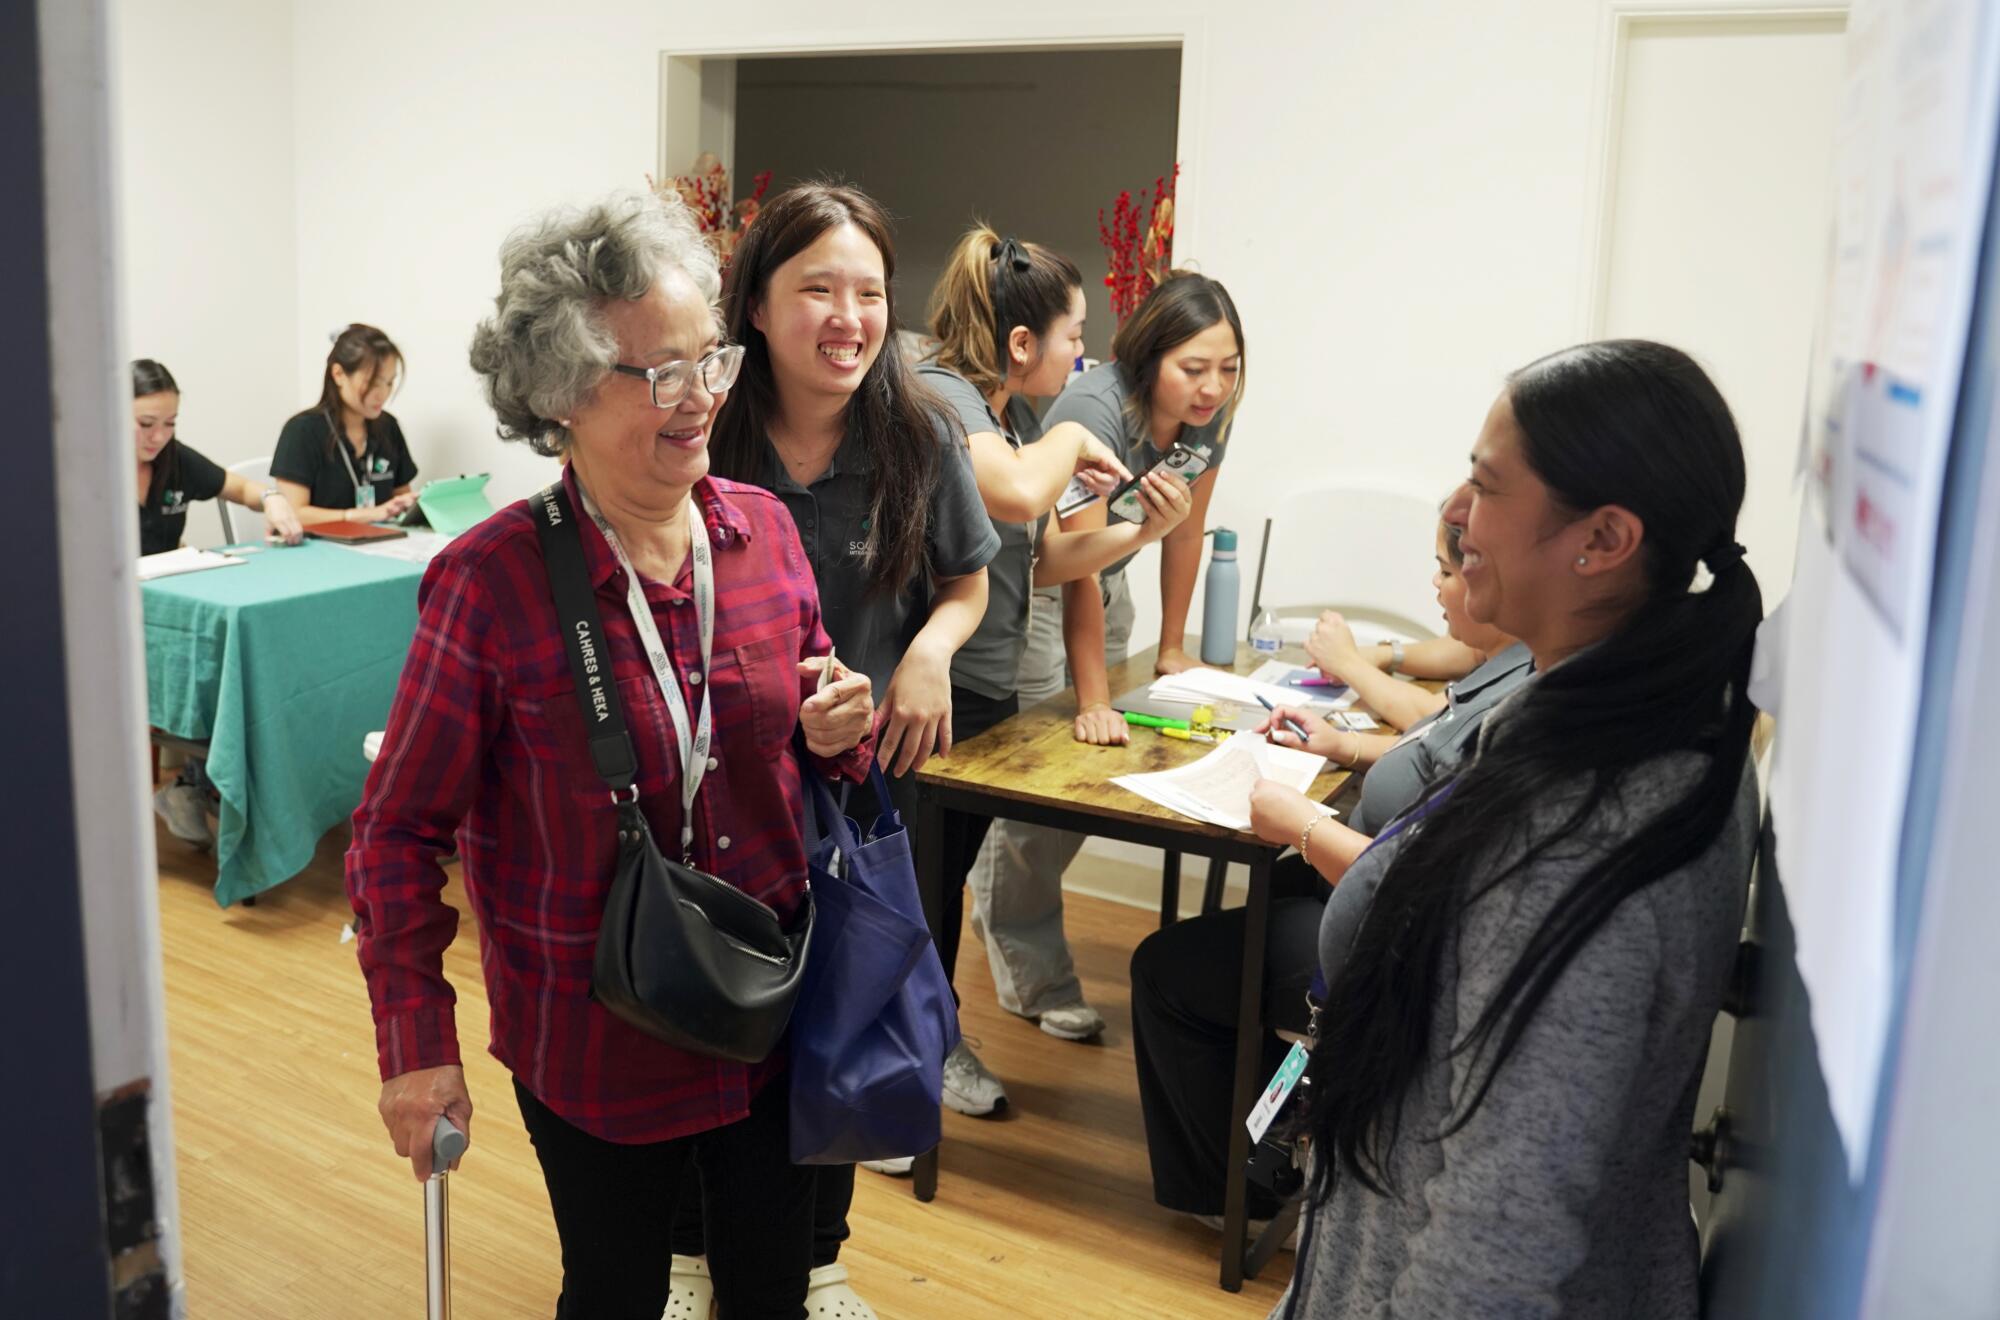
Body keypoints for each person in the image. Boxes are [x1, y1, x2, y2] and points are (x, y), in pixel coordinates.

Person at [347, 189, 876, 1320]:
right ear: (563, 395)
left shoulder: (762, 531)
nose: (700, 403)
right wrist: (414, 1043)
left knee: (770, 1287)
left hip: (772, 1008)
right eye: (658, 375)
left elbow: (810, 722)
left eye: (709, 362)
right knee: (618, 1292)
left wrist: (836, 729)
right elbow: (397, 831)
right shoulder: (490, 584)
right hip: (595, 1035)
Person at [1275, 339, 1763, 1318]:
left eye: (1486, 485)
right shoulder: (1588, 713)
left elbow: (1493, 1253)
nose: (1454, 512)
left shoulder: (1588, 829)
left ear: (1601, 540)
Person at [678, 181, 998, 1320]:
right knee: (710, 1029)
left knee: (843, 1022)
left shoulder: (915, 435)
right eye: (816, 288)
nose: (847, 317)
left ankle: (817, 1258)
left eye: (867, 291)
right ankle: (687, 1256)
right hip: (718, 798)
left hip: (864, 799)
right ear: (755, 306)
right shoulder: (700, 430)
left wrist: (930, 653)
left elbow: (967, 578)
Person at [1128, 515, 1528, 1229]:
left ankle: (1236, 1196)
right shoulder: (1506, 671)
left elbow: (1412, 879)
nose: (1435, 586)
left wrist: (1306, 827)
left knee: (1168, 971)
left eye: (1446, 568)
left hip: (1381, 938)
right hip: (1355, 885)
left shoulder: (1519, 701)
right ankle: (1254, 1149)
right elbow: (1433, 743)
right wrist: (1342, 746)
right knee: (1237, 923)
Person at [898, 225, 1195, 1122]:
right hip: (926, 694)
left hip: (983, 692)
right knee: (911, 900)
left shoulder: (1014, 417)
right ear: (1021, 344)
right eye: (1074, 334)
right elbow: (1024, 494)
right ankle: (907, 1072)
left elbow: (1050, 558)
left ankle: (925, 1048)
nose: (1085, 352)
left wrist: (1145, 529)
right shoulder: (946, 396)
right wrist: (1072, 442)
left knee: (935, 891)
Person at [970, 270, 1247, 1039]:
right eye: (1194, 368)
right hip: (1039, 590)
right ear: (1151, 355)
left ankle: (1017, 941)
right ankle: (1030, 971)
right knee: (1038, 787)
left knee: (1087, 776)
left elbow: (1185, 527)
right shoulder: (1097, 407)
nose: (1213, 387)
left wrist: (1171, 648)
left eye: (1228, 368)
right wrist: (1092, 699)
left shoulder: (1210, 413)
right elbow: (1070, 558)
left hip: (1109, 586)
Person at [135, 358, 303, 847]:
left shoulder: (175, 460)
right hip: (110, 618)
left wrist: (271, 498)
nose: (158, 436)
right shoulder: (86, 468)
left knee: (229, 654)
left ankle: (199, 783)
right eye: (146, 424)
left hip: (172, 611)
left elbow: (241, 487)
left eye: (169, 424)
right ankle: (194, 781)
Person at [271, 323, 419, 525]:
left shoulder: (388, 427)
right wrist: (357, 516)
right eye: (373, 382)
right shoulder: (301, 430)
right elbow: (294, 514)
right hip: (319, 549)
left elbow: (402, 502)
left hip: (381, 544)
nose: (383, 394)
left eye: (389, 382)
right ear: (338, 374)